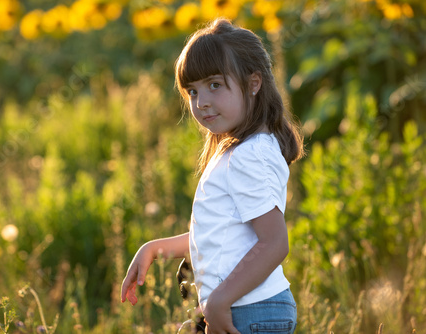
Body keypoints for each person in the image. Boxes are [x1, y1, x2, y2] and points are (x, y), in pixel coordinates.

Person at [121, 18, 304, 334]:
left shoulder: (249, 154)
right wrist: (155, 248)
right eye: (192, 91)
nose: (201, 101)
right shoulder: (239, 149)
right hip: (247, 308)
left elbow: (274, 242)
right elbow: (222, 236)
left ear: (253, 83)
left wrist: (218, 301)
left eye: (215, 85)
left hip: (250, 310)